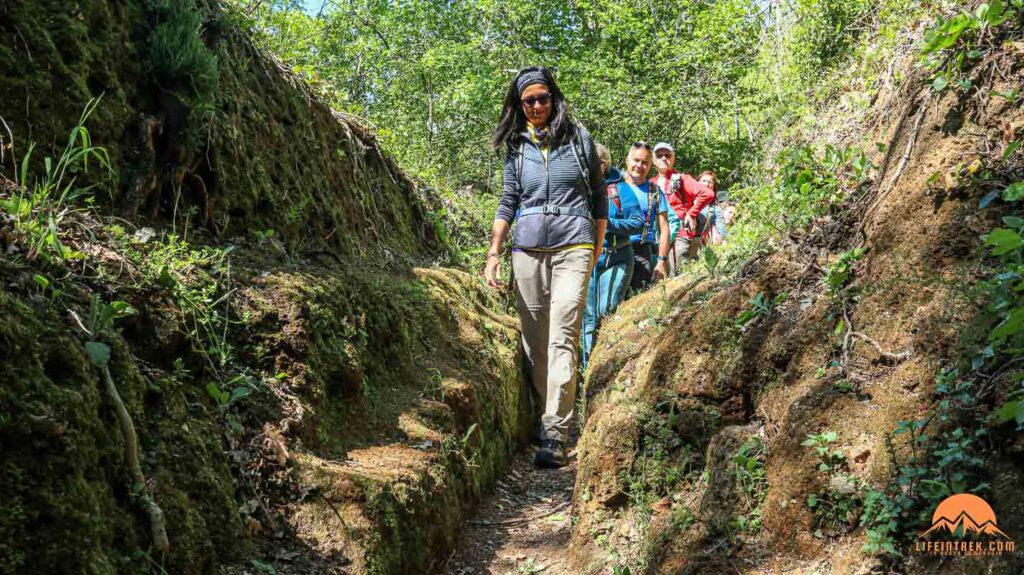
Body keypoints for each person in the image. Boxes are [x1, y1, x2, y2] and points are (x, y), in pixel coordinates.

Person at [483, 66, 607, 469]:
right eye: (529, 101)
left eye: (543, 98)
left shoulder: (578, 137)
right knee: (535, 342)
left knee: (563, 335)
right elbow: (508, 202)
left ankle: (555, 432)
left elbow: (598, 194)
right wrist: (493, 254)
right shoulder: (517, 147)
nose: (537, 106)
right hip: (528, 248)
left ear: (554, 99)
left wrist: (597, 245)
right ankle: (542, 418)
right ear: (520, 106)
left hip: (575, 243)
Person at [581, 144, 644, 368]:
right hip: (586, 259)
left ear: (604, 165)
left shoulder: (620, 189)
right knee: (586, 316)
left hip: (615, 256)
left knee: (605, 310)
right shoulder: (580, 187)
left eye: (594, 163)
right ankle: (586, 370)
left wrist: (606, 224)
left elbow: (638, 222)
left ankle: (606, 364)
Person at [650, 143, 715, 275]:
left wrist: (691, 214)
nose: (663, 158)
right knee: (658, 279)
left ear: (673, 159)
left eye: (667, 155)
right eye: (659, 155)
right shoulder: (650, 183)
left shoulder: (682, 179)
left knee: (677, 275)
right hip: (657, 237)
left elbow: (707, 194)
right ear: (654, 160)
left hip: (680, 235)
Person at [625, 142, 670, 294]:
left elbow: (664, 228)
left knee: (638, 300)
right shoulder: (613, 186)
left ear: (650, 165)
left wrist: (661, 261)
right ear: (627, 161)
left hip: (642, 252)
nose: (639, 165)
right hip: (613, 251)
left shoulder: (654, 191)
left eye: (645, 162)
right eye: (636, 160)